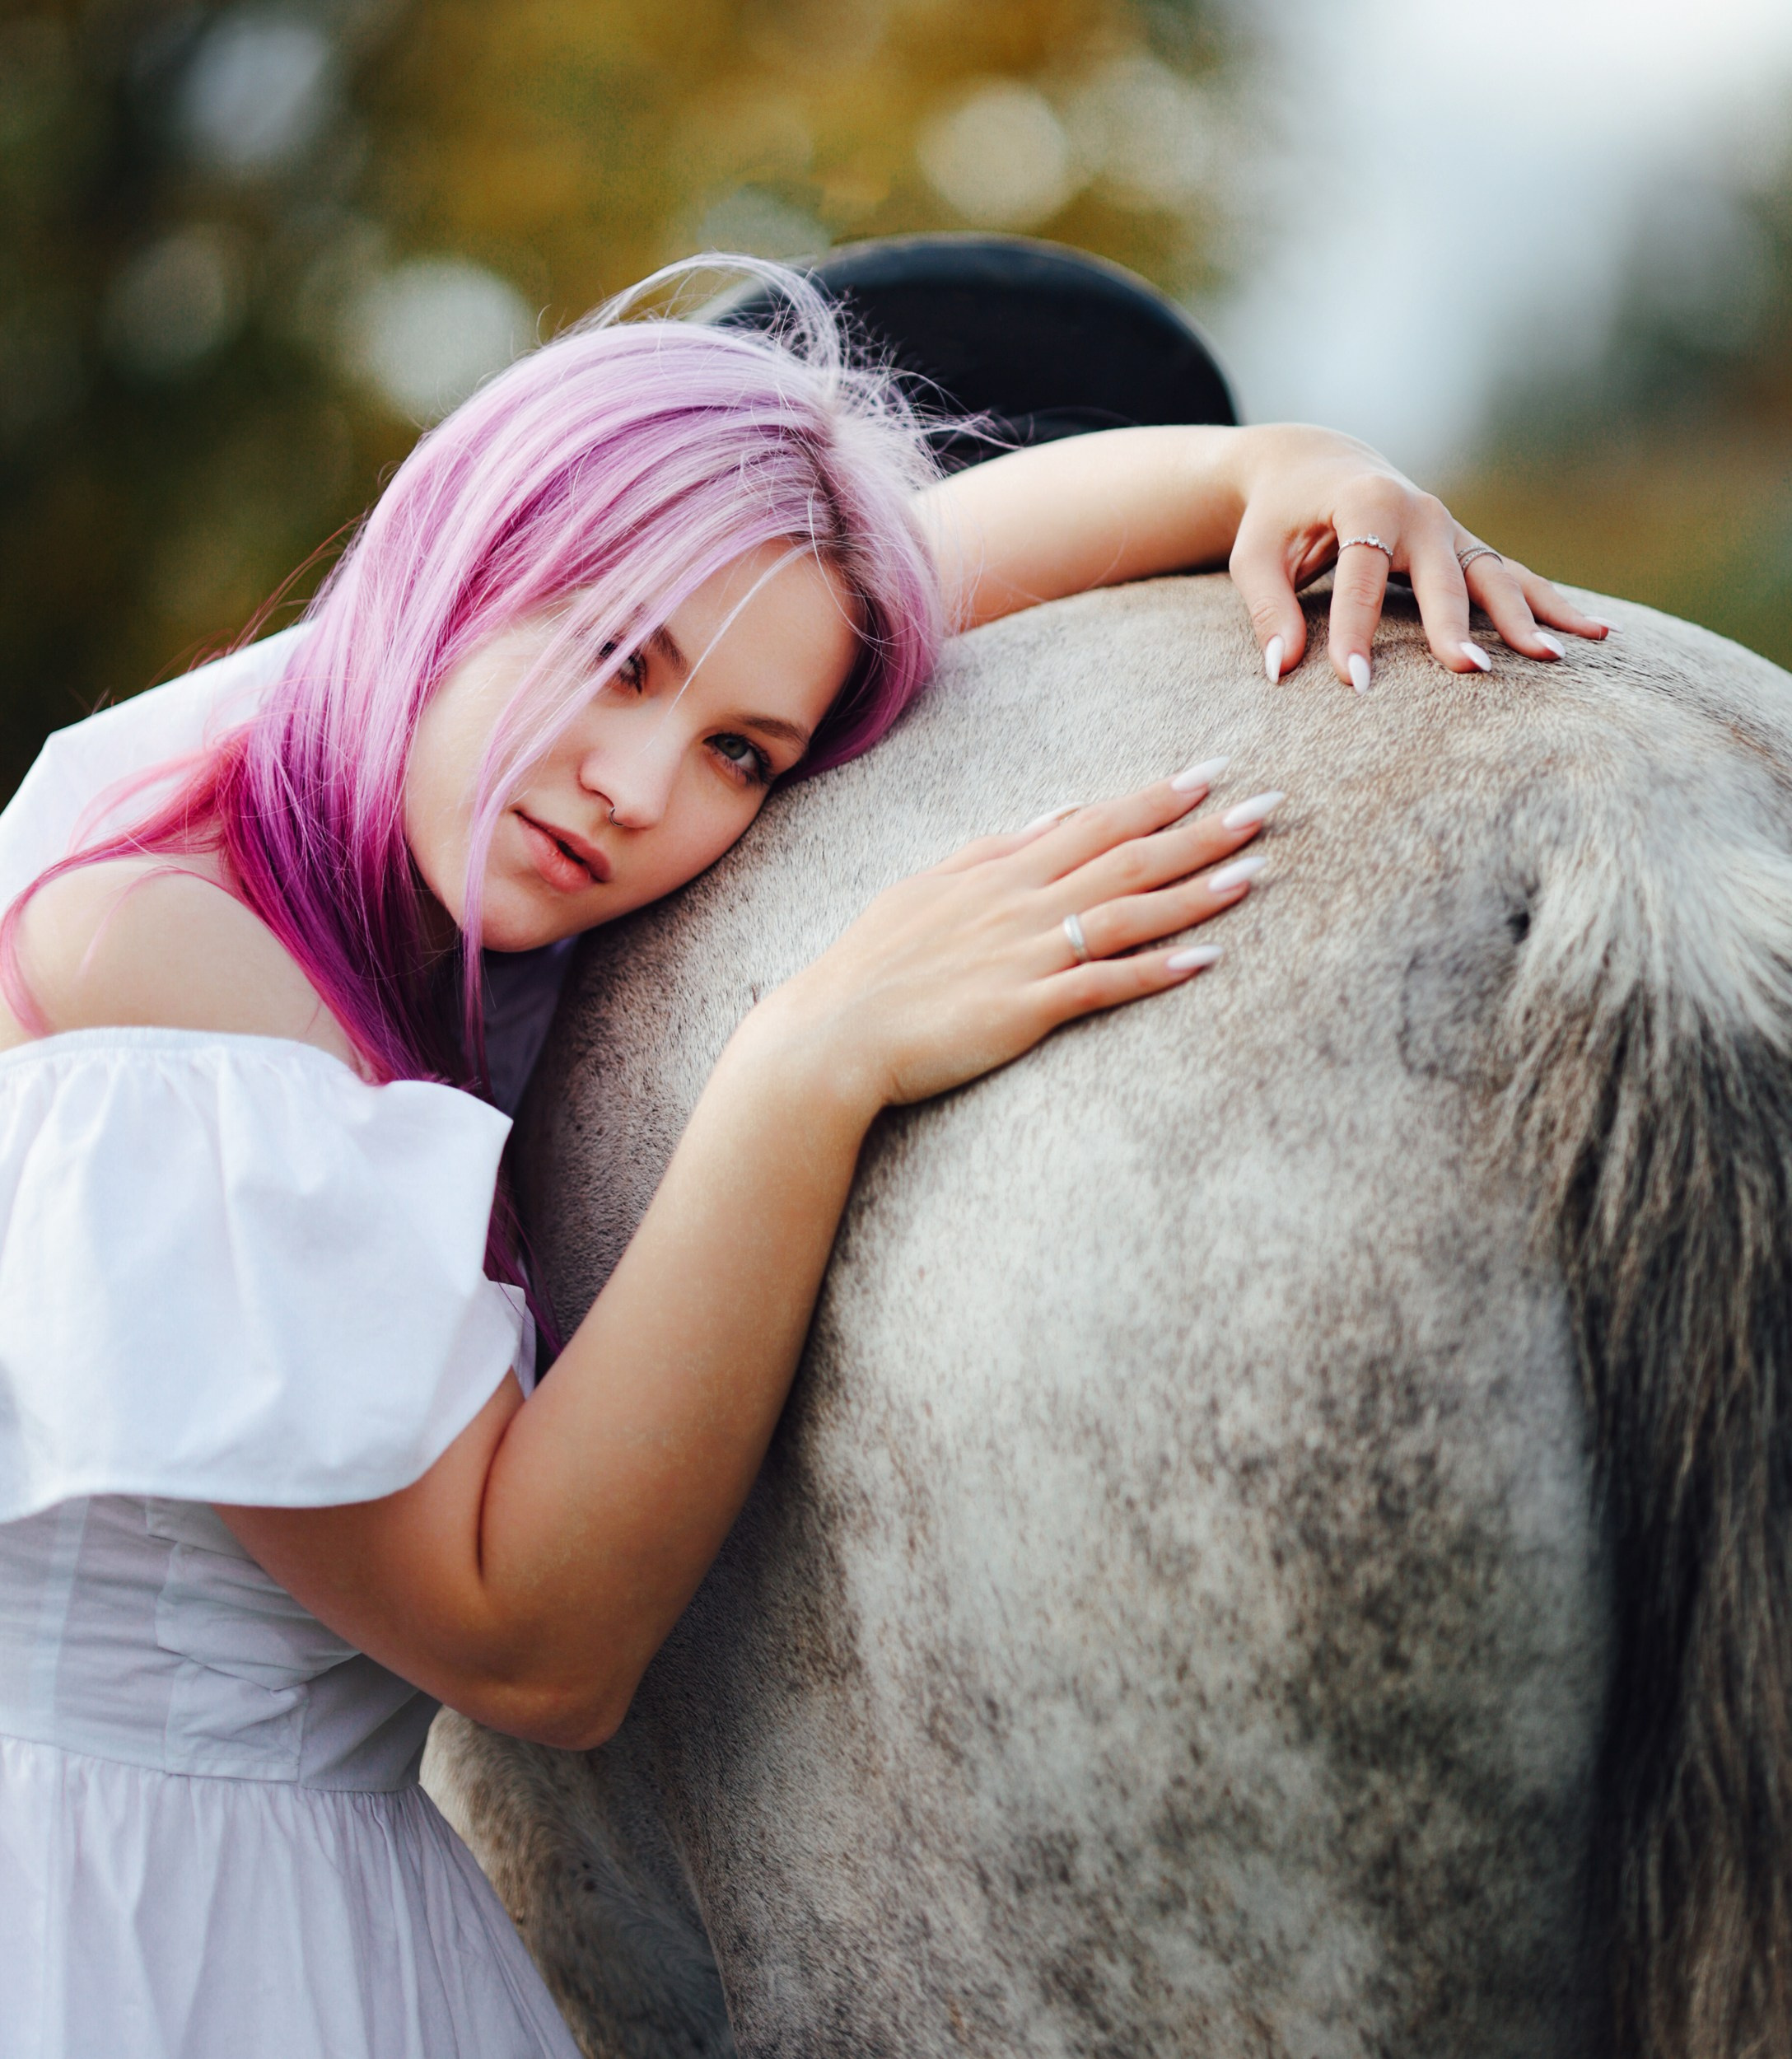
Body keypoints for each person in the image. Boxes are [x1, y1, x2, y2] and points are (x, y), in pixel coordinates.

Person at [0, 259, 1604, 2059]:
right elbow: (526, 1642)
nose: (633, 783)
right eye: (614, 660)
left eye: (739, 753)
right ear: (448, 571)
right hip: (113, 1940)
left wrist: (1275, 466)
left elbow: (911, 565)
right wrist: (806, 1056)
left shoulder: (423, 804)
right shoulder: (164, 936)